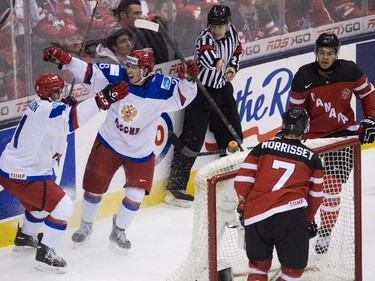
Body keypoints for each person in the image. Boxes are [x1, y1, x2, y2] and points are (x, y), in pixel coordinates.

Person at [42, 46, 199, 251]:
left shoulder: (162, 86)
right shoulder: (117, 75)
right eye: (128, 65)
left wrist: (188, 80)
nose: (129, 70)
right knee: (93, 189)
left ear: (146, 70)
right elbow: (89, 73)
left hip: (140, 152)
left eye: (134, 67)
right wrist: (66, 59)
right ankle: (86, 226)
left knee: (135, 195)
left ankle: (119, 230)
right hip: (109, 142)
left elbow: (182, 98)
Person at [0, 73, 128, 272]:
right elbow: (72, 120)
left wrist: (64, 106)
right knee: (63, 206)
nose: (61, 92)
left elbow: (57, 120)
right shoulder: (49, 110)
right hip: (25, 175)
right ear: (49, 93)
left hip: (10, 170)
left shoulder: (37, 104)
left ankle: (26, 236)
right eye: (57, 90)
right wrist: (102, 99)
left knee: (41, 206)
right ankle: (46, 252)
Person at [288, 33, 375, 254]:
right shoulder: (303, 76)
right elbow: (295, 112)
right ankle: (307, 222)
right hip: (313, 140)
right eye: (322, 53)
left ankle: (325, 233)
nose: (325, 57)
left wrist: (371, 118)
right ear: (316, 52)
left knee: (332, 188)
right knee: (304, 190)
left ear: (337, 53)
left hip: (342, 137)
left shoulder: (350, 71)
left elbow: (368, 95)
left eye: (330, 53)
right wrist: (291, 135)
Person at [165, 4, 243, 207]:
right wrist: (218, 62)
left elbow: (237, 50)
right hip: (202, 91)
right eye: (213, 26)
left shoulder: (232, 32)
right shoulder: (204, 38)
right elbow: (206, 54)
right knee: (192, 138)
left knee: (233, 135)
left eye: (220, 26)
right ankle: (175, 187)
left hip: (223, 89)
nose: (216, 30)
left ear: (228, 24)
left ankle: (230, 177)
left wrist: (233, 67)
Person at [234, 107, 324, 281]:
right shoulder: (312, 158)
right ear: (305, 128)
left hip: (257, 215)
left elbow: (242, 181)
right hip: (290, 217)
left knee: (258, 267)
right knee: (292, 272)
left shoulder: (263, 147)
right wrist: (307, 220)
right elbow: (315, 196)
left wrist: (245, 207)